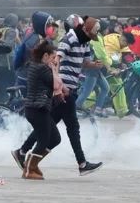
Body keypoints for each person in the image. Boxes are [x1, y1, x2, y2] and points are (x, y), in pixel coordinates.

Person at [15, 17, 103, 176]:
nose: (92, 38)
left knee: (49, 126)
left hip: (69, 88)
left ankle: (22, 152)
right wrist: (59, 88)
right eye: (91, 34)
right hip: (64, 89)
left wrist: (94, 65)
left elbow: (84, 62)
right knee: (72, 127)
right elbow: (56, 60)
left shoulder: (85, 42)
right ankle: (81, 163)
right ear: (85, 30)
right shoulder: (68, 39)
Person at [14, 40, 63, 180]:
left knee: (55, 138)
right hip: (37, 108)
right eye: (53, 57)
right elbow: (56, 83)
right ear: (46, 56)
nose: (55, 60)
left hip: (38, 108)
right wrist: (55, 68)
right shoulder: (42, 68)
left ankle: (32, 164)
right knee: (43, 140)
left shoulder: (37, 66)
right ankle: (30, 169)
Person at [103, 31, 135, 118]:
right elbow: (106, 58)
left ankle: (121, 110)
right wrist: (114, 68)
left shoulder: (120, 40)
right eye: (125, 43)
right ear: (122, 38)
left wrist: (133, 60)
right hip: (103, 65)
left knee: (116, 86)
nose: (125, 46)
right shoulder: (111, 43)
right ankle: (84, 104)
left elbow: (127, 54)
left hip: (112, 66)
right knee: (105, 87)